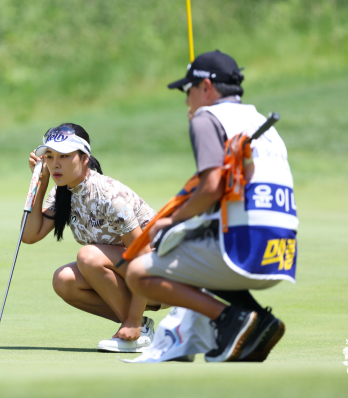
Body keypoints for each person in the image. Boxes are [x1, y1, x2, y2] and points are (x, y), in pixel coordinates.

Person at [126, 50, 298, 362]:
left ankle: (230, 320)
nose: (186, 100)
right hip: (281, 255)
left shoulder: (207, 119)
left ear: (206, 87)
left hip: (241, 251)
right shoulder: (263, 123)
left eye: (188, 90)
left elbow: (212, 187)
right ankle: (258, 320)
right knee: (185, 246)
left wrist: (173, 221)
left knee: (139, 272)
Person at [21, 123, 160, 353]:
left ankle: (135, 327)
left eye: (64, 156)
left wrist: (133, 320)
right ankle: (142, 329)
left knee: (88, 256)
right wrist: (41, 183)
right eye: (49, 156)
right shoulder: (62, 192)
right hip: (134, 276)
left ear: (84, 157)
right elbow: (29, 234)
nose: (55, 164)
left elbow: (143, 256)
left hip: (166, 276)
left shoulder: (108, 194)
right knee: (64, 280)